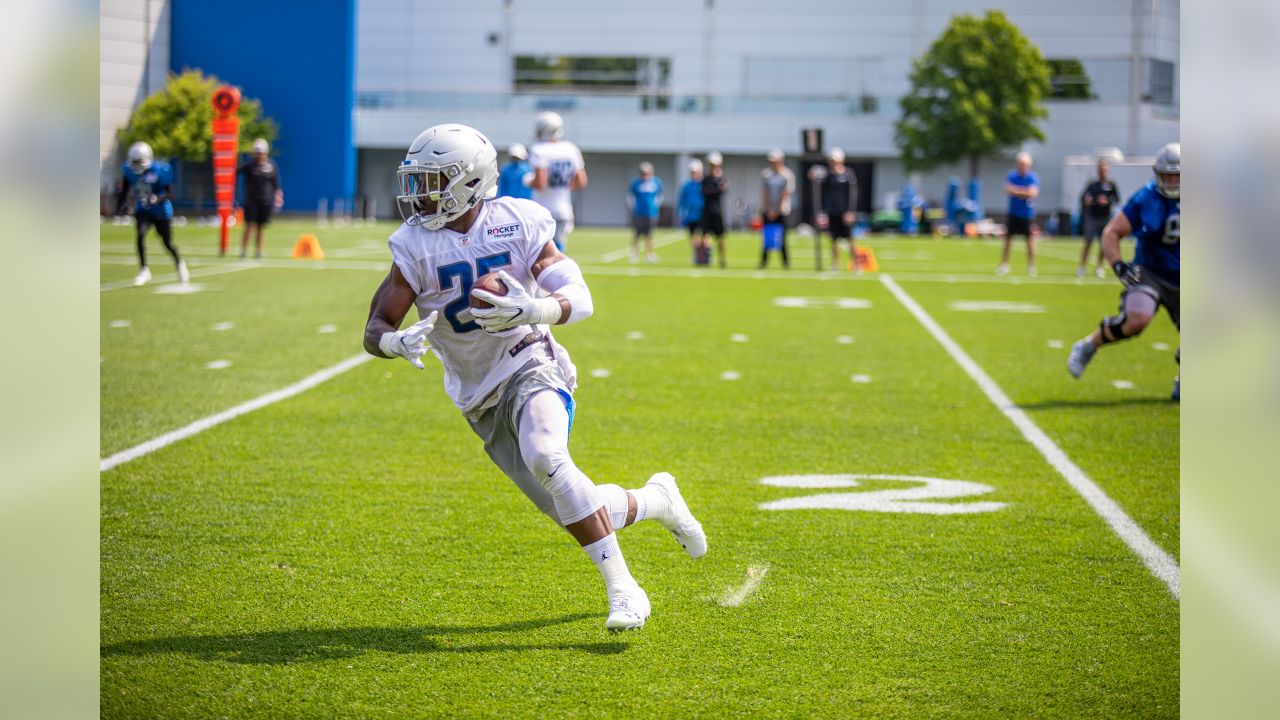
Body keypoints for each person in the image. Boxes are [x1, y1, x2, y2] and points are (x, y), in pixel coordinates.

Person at [363, 123, 707, 631]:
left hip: (531, 361)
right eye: (418, 181)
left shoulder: (518, 221)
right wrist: (395, 342)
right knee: (573, 507)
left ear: (470, 181)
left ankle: (625, 590)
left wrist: (534, 308)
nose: (421, 194)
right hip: (479, 395)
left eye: (434, 181)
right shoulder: (414, 245)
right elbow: (375, 327)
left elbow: (582, 299)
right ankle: (657, 500)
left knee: (548, 456)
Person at [1067, 143, 1180, 400]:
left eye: (1178, 175)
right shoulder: (1147, 197)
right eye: (1168, 175)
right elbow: (1112, 232)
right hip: (1151, 270)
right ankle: (1088, 345)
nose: (1173, 182)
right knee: (1136, 319)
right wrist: (1118, 264)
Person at [118, 141, 187, 286]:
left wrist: (157, 199)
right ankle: (144, 269)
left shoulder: (161, 170)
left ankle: (179, 263)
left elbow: (170, 193)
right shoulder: (128, 170)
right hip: (143, 209)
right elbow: (125, 189)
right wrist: (122, 205)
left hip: (162, 211)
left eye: (139, 162)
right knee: (140, 235)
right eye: (134, 162)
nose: (136, 165)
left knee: (167, 244)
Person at [528, 112, 587, 252]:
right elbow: (581, 181)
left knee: (539, 254)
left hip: (542, 210)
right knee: (558, 251)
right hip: (563, 209)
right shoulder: (570, 148)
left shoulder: (539, 150)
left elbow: (541, 184)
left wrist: (529, 181)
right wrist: (562, 188)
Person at [236, 138, 284, 260]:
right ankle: (243, 250)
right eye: (256, 152)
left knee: (260, 227)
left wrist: (278, 196)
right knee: (249, 225)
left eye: (260, 152)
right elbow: (235, 171)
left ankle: (259, 251)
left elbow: (275, 183)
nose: (258, 155)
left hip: (265, 200)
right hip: (252, 201)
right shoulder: (249, 165)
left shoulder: (271, 165)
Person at [997, 151, 1040, 277]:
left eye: (1024, 164)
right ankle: (1004, 265)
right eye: (1020, 164)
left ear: (1029, 165)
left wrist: (1017, 191)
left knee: (1030, 240)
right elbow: (1007, 190)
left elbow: (1032, 193)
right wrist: (1023, 192)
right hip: (1013, 212)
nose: (1022, 166)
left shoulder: (1033, 177)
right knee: (1008, 239)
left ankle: (1031, 266)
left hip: (1027, 214)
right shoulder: (1011, 176)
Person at [1078, 158, 1120, 278]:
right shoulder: (1092, 185)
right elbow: (1083, 198)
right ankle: (1082, 266)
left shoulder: (1111, 185)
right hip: (1092, 217)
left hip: (1105, 217)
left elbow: (1117, 199)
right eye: (1100, 169)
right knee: (1088, 242)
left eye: (1104, 169)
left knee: (1103, 244)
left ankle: (1099, 267)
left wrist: (1107, 201)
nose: (1102, 171)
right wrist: (1089, 201)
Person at [819, 147, 858, 272]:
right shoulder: (828, 176)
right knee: (834, 239)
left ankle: (856, 263)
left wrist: (850, 211)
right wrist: (824, 211)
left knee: (849, 238)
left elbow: (853, 194)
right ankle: (835, 264)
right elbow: (824, 194)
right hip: (832, 211)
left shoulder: (848, 175)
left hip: (845, 212)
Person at [759, 148, 795, 269]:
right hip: (768, 210)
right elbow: (765, 193)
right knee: (767, 237)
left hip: (782, 211)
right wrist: (768, 209)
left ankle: (785, 262)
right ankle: (764, 261)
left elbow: (785, 193)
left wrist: (776, 210)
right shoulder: (766, 174)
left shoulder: (787, 175)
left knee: (782, 238)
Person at [626, 162, 663, 263]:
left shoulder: (656, 182)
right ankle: (634, 253)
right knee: (637, 233)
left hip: (651, 213)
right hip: (639, 213)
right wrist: (634, 208)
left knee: (649, 234)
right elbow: (630, 197)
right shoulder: (636, 183)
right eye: (643, 172)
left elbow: (659, 196)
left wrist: (655, 207)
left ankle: (649, 254)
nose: (645, 174)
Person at [700, 151, 729, 268]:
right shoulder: (705, 179)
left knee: (720, 236)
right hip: (707, 210)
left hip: (717, 211)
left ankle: (722, 259)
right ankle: (706, 258)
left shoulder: (721, 178)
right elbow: (704, 191)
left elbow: (723, 190)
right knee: (705, 235)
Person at [677, 159, 705, 265]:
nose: (694, 174)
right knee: (693, 238)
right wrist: (681, 214)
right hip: (691, 216)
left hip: (702, 215)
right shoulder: (686, 185)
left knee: (704, 237)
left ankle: (704, 257)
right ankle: (697, 256)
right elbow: (682, 201)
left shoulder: (703, 184)